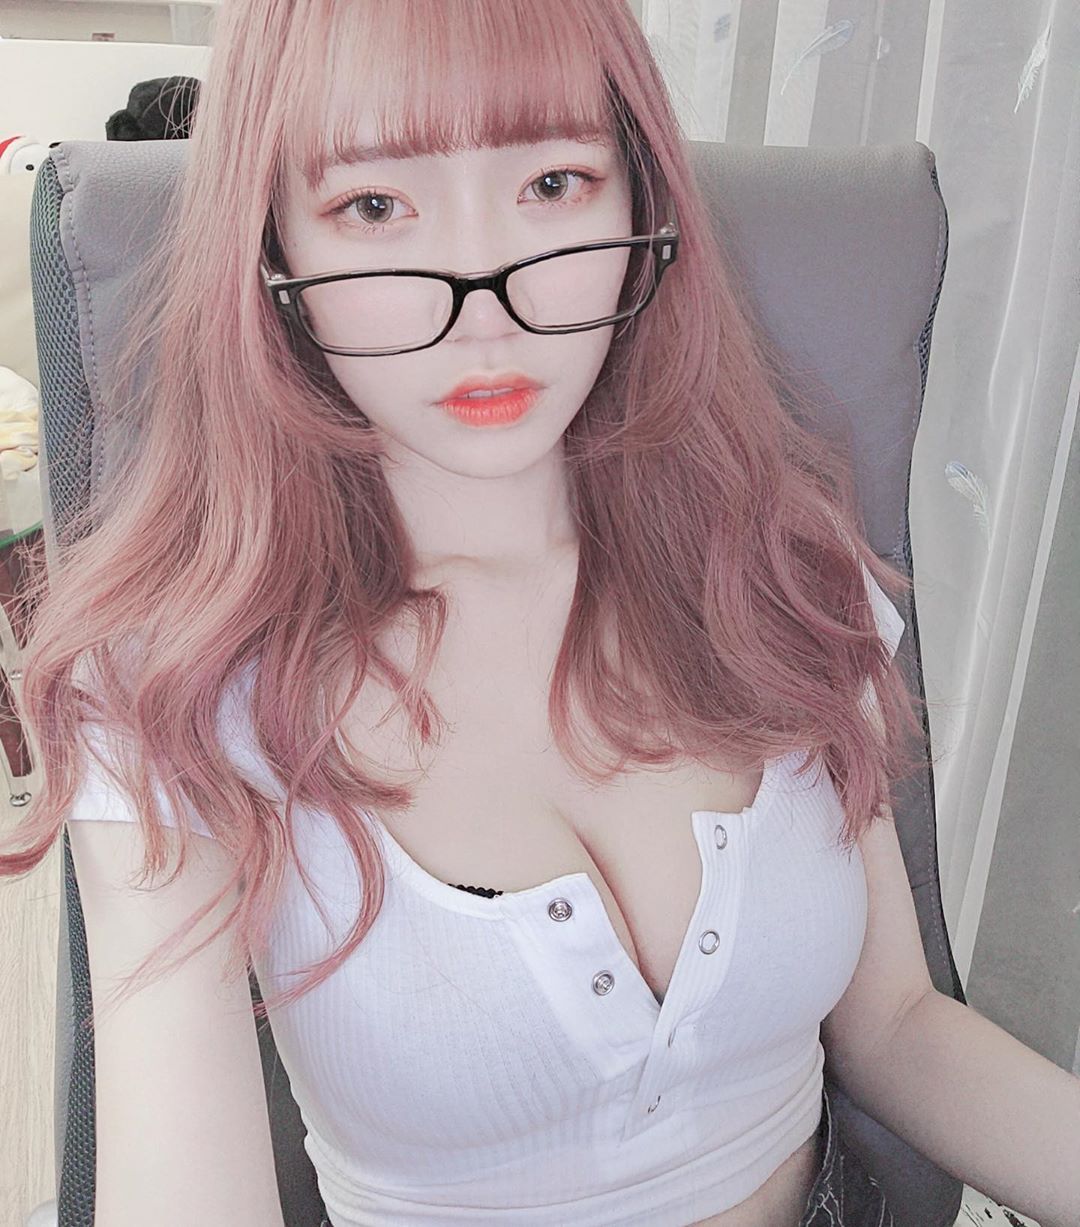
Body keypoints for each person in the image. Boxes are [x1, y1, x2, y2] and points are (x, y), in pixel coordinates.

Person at [2, 2, 1078, 1226]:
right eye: (375, 206)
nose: (486, 301)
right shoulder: (170, 681)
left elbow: (896, 1025)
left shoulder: (783, 559)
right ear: (271, 249)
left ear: (639, 204)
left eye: (553, 183)